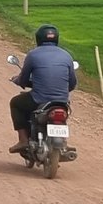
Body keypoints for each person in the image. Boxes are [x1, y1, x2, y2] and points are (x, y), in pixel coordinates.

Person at [8, 23, 77, 153]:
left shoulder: (33, 55)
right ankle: (63, 143)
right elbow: (72, 83)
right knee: (62, 113)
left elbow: (23, 79)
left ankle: (23, 140)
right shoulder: (67, 56)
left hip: (40, 99)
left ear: (38, 38)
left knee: (15, 103)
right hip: (61, 102)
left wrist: (16, 80)